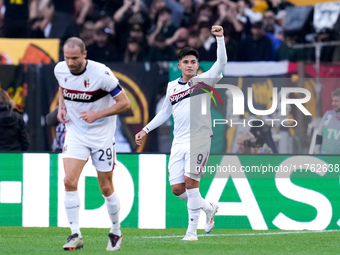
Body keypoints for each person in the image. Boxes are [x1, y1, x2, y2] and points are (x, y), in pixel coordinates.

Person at [135, 25, 227, 241]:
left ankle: (191, 233)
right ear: (179, 65)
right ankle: (209, 208)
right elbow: (165, 112)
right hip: (179, 141)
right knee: (177, 188)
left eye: (193, 62)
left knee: (191, 184)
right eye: (185, 62)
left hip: (200, 138)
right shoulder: (171, 87)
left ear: (197, 65)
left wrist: (220, 38)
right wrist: (145, 129)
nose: (189, 65)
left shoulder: (205, 80)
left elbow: (221, 62)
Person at [54, 37, 130, 251]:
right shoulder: (60, 69)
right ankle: (75, 234)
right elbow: (63, 86)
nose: (70, 63)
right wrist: (62, 107)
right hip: (76, 133)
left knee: (106, 187)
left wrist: (98, 114)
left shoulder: (101, 74)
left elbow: (125, 103)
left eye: (75, 58)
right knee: (69, 181)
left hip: (101, 136)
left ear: (84, 55)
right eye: (67, 58)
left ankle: (116, 231)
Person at [314, 88, 340, 154]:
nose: (333, 103)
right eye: (332, 101)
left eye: (336, 101)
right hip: (325, 159)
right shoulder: (328, 115)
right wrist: (317, 151)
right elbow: (319, 135)